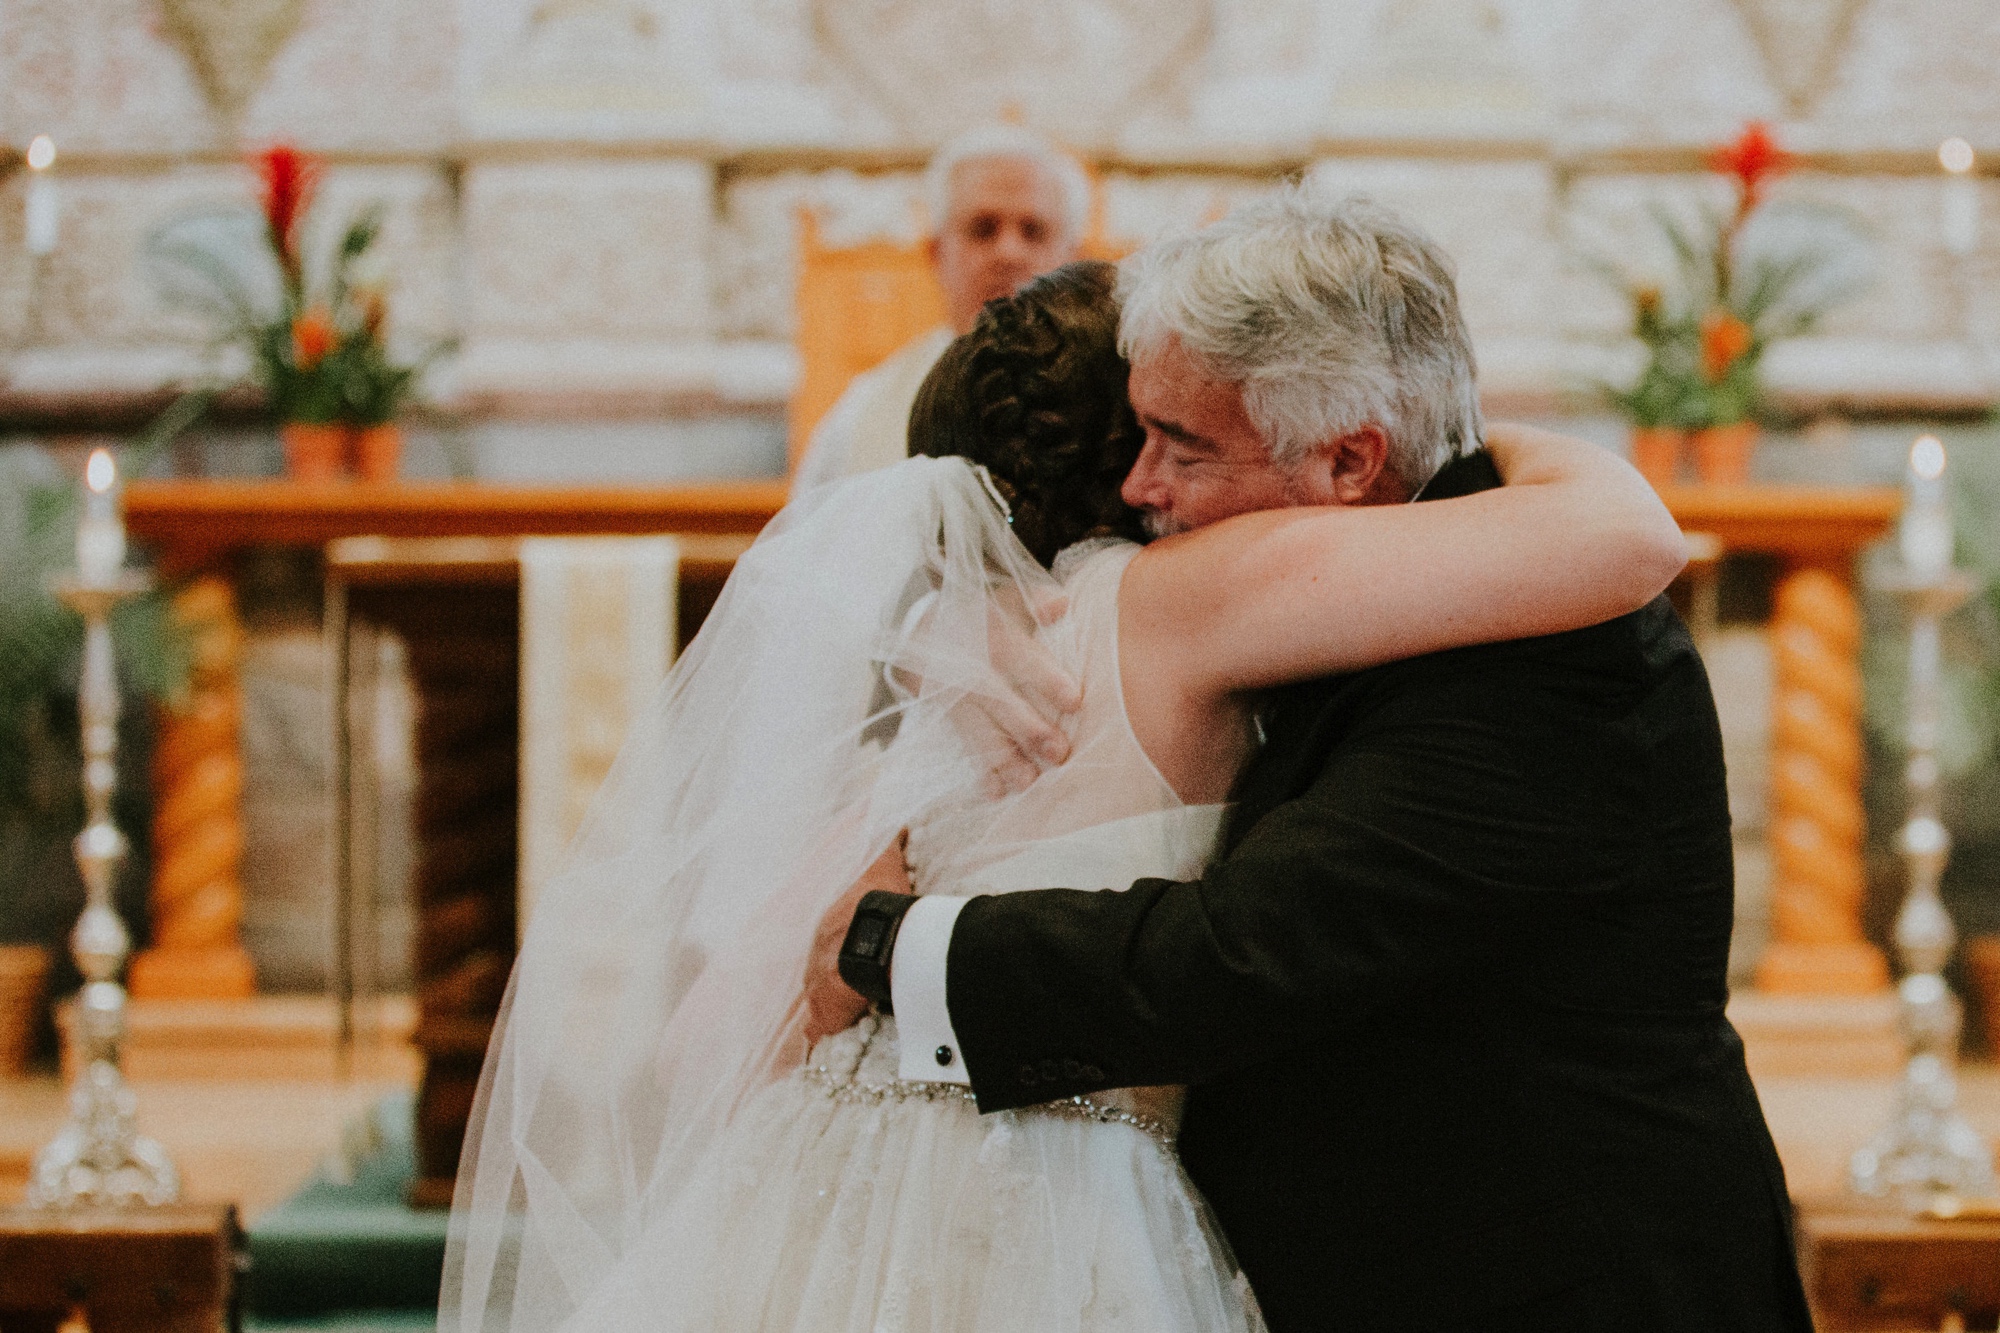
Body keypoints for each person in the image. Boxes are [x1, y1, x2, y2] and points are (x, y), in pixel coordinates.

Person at [441, 243, 1682, 1333]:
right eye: (1143, 437)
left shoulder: (981, 648)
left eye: (1179, 441)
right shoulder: (1192, 596)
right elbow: (1624, 537)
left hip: (847, 1157)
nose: (1152, 480)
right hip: (1055, 1183)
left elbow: (702, 1034)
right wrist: (1503, 439)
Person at [812, 191, 1817, 1331]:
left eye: (1179, 446)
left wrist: (891, 944)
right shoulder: (1370, 573)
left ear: (1348, 460)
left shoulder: (1547, 657)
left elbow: (1241, 954)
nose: (1138, 490)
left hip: (1556, 1283)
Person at [791, 124, 1090, 492]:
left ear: (1076, 260)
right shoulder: (865, 411)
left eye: (1034, 231)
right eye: (983, 229)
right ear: (936, 254)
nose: (1009, 253)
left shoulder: (1119, 401)